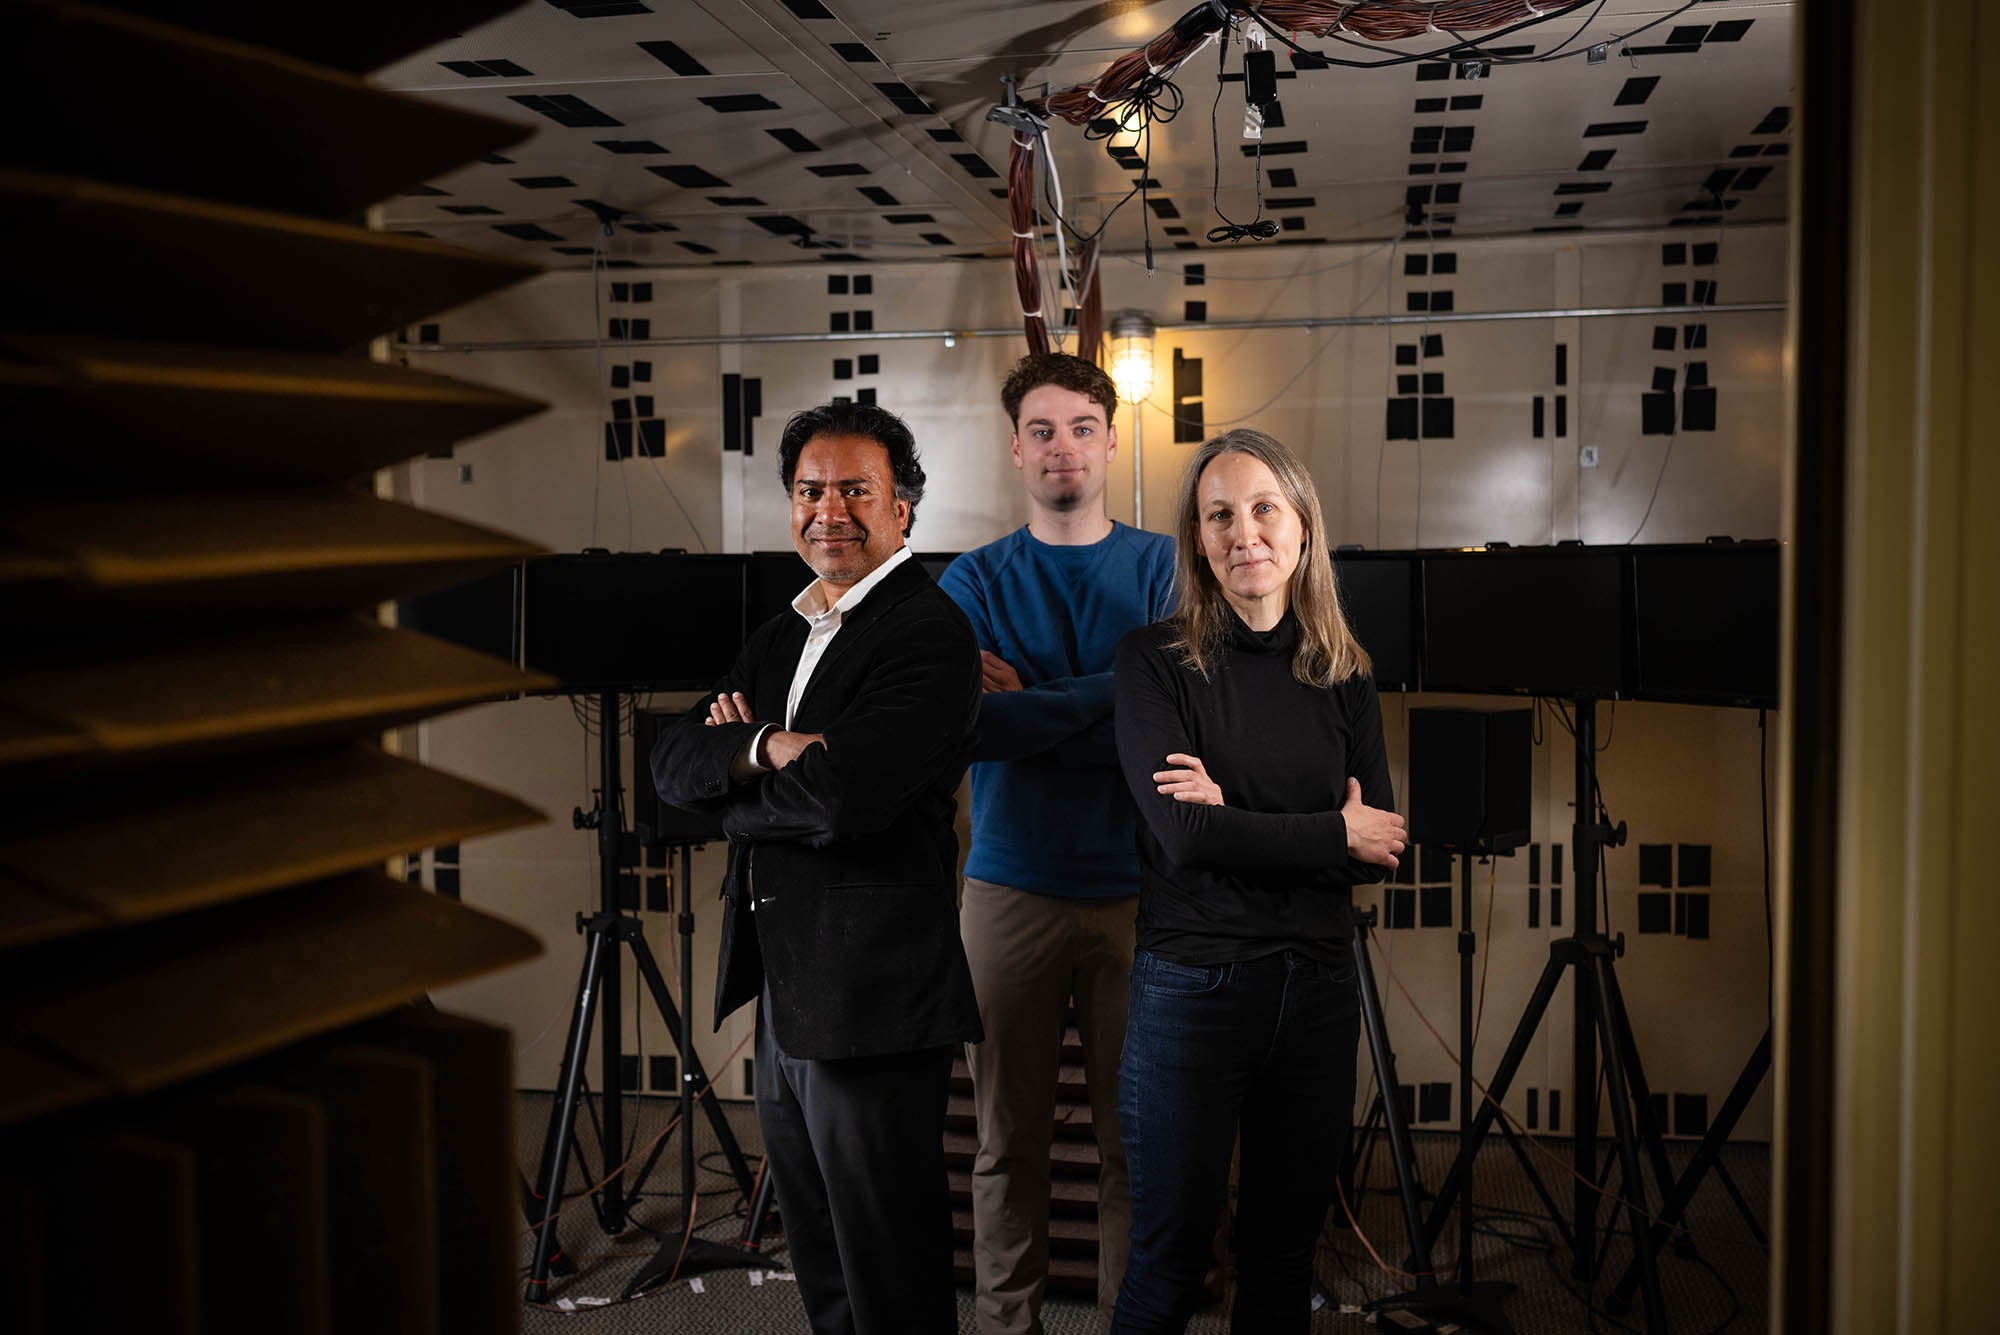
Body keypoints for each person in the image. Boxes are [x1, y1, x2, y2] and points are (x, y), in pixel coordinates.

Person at [650, 400, 982, 1335]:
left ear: (902, 508)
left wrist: (737, 777)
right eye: (809, 490)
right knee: (822, 1263)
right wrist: (769, 746)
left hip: (875, 1005)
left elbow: (843, 798)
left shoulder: (929, 633)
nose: (827, 511)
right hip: (787, 997)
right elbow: (670, 766)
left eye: (854, 490)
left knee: (891, 1273)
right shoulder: (782, 634)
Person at [1108, 429, 1407, 1334]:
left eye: (1264, 508)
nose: (1245, 533)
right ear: (1198, 540)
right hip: (1193, 990)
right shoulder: (1152, 661)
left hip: (1317, 990)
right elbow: (1185, 836)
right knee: (1169, 1264)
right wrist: (1329, 828)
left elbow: (1381, 844)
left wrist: (1235, 817)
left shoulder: (1345, 673)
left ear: (1303, 525)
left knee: (1282, 1263)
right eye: (1220, 515)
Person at [939, 353, 1176, 1334]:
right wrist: (1113, 704)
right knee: (1006, 1143)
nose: (1061, 447)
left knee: (1139, 1145)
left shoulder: (1164, 567)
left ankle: (1133, 1319)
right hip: (1008, 889)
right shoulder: (971, 578)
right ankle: (1007, 1323)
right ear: (1015, 448)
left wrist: (1033, 702)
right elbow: (970, 728)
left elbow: (1170, 718)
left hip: (1142, 892)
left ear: (1111, 441)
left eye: (1081, 427)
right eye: (1041, 430)